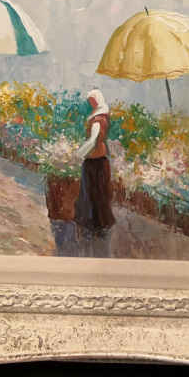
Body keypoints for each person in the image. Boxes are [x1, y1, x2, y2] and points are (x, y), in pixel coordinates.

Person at [74, 89, 115, 254]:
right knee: (99, 193)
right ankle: (99, 223)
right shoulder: (102, 116)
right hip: (100, 161)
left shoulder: (97, 120)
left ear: (97, 100)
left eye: (92, 100)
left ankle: (94, 224)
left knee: (92, 193)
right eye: (89, 100)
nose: (90, 103)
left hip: (94, 162)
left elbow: (92, 141)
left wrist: (77, 154)